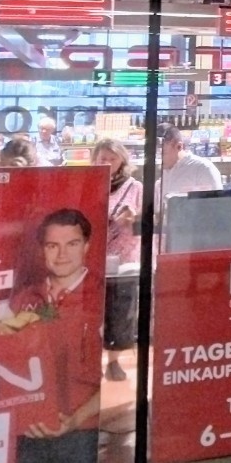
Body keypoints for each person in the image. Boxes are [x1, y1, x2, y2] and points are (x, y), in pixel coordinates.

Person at [0, 209, 102, 463]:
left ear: (86, 246)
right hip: (21, 436)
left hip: (80, 434)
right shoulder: (23, 298)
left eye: (72, 244)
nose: (62, 254)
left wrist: (75, 420)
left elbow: (121, 378)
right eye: (53, 245)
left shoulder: (104, 295)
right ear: (42, 250)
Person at [93, 138, 143, 381]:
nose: (107, 163)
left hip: (124, 259)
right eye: (103, 158)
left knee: (121, 311)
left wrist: (134, 218)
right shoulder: (89, 184)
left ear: (122, 160)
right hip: (93, 258)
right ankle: (90, 361)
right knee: (93, 311)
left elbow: (148, 221)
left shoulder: (135, 187)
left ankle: (114, 361)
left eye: (112, 159)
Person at [156, 125, 222, 199]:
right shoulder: (163, 174)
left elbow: (215, 203)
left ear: (179, 146)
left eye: (163, 153)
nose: (159, 159)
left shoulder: (203, 169)